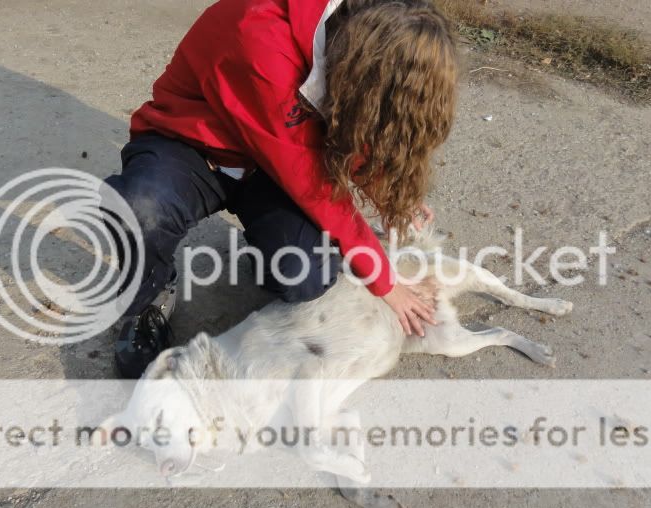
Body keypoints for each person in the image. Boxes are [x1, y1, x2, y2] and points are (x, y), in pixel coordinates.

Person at [105, 0, 458, 378]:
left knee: (307, 272)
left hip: (267, 167)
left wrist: (393, 198)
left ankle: (267, 252)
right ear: (360, 69)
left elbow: (360, 128)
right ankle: (146, 296)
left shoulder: (352, 37)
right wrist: (384, 280)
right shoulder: (261, 38)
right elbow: (311, 182)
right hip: (191, 148)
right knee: (140, 209)